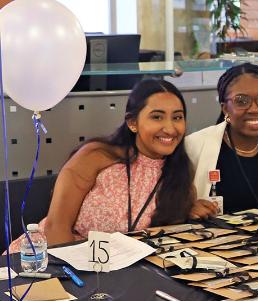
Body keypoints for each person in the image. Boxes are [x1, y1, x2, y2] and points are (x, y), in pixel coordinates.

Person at [8, 79, 204, 251]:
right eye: (157, 117)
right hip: (51, 261)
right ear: (132, 123)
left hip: (124, 276)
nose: (170, 128)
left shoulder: (179, 174)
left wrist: (189, 209)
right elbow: (56, 227)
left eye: (177, 117)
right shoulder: (97, 156)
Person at [186, 63, 258, 214]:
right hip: (211, 235)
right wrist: (187, 209)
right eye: (241, 101)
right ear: (225, 108)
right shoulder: (194, 146)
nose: (254, 109)